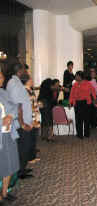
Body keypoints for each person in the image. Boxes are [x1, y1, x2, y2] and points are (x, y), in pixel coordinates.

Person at [6, 63, 33, 179]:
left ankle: (22, 168)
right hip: (20, 124)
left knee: (25, 147)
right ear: (19, 71)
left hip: (24, 121)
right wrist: (22, 124)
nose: (26, 73)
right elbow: (17, 106)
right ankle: (20, 172)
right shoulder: (14, 83)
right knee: (23, 147)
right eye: (25, 70)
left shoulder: (17, 82)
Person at [0, 70, 20, 204]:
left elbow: (15, 106)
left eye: (1, 76)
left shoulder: (3, 93)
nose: (1, 79)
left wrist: (10, 116)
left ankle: (4, 192)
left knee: (10, 165)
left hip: (8, 135)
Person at [20, 73, 40, 164]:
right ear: (27, 81)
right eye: (31, 79)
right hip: (30, 117)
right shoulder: (24, 91)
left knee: (33, 138)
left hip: (34, 116)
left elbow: (33, 102)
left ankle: (32, 156)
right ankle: (29, 158)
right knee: (29, 139)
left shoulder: (30, 90)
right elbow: (26, 106)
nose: (32, 81)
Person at [69, 71, 96, 139]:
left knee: (86, 119)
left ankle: (87, 134)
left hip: (86, 103)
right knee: (78, 119)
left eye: (76, 76)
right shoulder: (75, 84)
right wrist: (70, 102)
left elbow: (93, 91)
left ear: (80, 76)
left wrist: (94, 99)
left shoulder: (88, 83)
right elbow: (71, 94)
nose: (75, 77)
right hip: (77, 103)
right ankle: (79, 134)